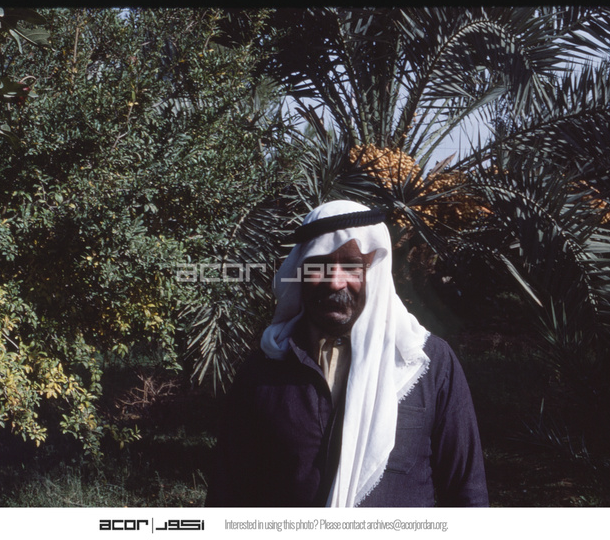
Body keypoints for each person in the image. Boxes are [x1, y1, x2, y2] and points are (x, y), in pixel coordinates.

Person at [206, 200, 488, 507]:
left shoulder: (425, 362)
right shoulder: (266, 367)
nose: (335, 282)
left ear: (374, 272)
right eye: (319, 266)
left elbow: (467, 491)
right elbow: (228, 493)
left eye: (352, 267)